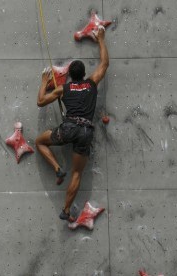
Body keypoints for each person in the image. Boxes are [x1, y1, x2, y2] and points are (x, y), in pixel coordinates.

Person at [35, 26, 109, 222]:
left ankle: (58, 168)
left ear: (70, 75)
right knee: (77, 173)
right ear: (83, 74)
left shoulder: (64, 88)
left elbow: (41, 102)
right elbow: (104, 64)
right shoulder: (91, 83)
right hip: (85, 131)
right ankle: (66, 210)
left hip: (67, 129)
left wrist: (44, 81)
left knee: (40, 142)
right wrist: (101, 38)